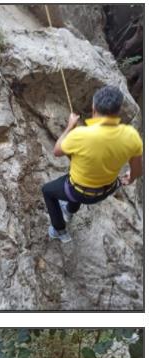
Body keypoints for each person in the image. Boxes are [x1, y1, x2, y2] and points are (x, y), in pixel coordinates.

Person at [42, 85, 143, 243]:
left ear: (94, 107)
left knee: (48, 191)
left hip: (79, 191)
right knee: (75, 186)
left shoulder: (80, 134)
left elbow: (57, 151)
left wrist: (70, 126)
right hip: (105, 190)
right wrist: (130, 178)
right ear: (118, 111)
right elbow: (137, 170)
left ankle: (59, 230)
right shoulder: (132, 137)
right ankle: (69, 211)